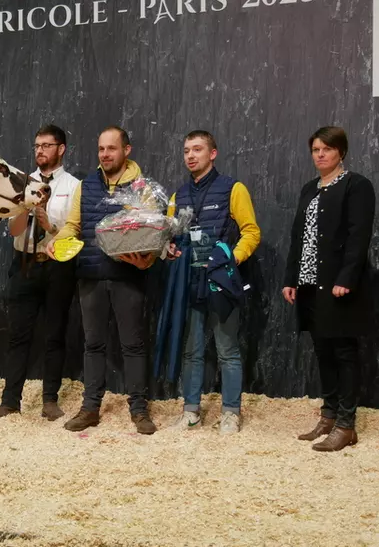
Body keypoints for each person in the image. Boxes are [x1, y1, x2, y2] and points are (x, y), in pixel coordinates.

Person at [46, 126, 157, 434]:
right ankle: (90, 407)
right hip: (91, 276)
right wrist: (58, 240)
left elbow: (153, 231)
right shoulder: (87, 185)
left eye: (111, 148)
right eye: (101, 149)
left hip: (128, 276)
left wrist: (147, 257)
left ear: (126, 150)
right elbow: (73, 225)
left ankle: (139, 410)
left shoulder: (141, 187)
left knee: (133, 345)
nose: (105, 154)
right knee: (93, 345)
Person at [0, 124, 81, 423]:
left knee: (55, 334)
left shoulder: (74, 186)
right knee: (17, 336)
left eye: (46, 145)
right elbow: (13, 230)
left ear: (61, 149)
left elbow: (73, 236)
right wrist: (25, 206)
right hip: (23, 262)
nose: (40, 150)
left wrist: (48, 223)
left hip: (57, 265)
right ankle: (10, 402)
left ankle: (50, 400)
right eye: (37, 145)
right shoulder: (22, 183)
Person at [283, 126, 375, 452]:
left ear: (341, 152)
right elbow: (298, 238)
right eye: (315, 150)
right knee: (322, 350)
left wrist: (346, 278)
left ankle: (347, 424)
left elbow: (358, 236)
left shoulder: (356, 186)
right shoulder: (309, 189)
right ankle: (329, 413)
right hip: (310, 284)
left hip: (339, 285)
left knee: (344, 351)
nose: (320, 154)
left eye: (327, 149)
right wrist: (290, 278)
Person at [166, 130, 261, 435]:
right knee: (192, 351)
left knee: (227, 350)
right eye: (186, 151)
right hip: (189, 283)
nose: (190, 156)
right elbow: (168, 238)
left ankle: (231, 413)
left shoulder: (233, 189)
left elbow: (251, 232)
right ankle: (191, 412)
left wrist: (230, 259)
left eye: (197, 149)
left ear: (213, 153)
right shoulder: (176, 196)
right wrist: (168, 249)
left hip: (221, 282)